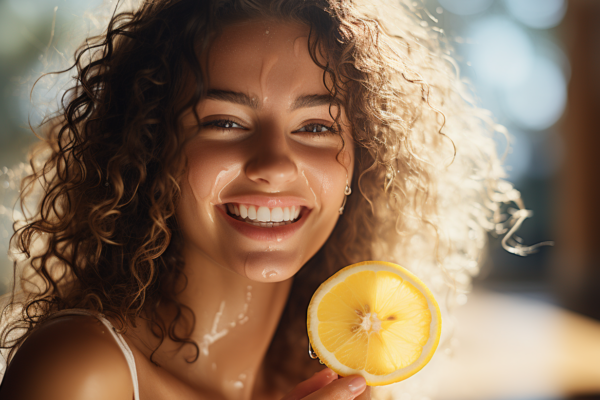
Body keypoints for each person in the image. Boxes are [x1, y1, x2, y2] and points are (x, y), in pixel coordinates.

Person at [0, 0, 536, 399]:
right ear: (148, 144)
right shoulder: (80, 372)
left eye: (316, 127)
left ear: (364, 160)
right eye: (225, 121)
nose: (275, 164)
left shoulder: (327, 384)